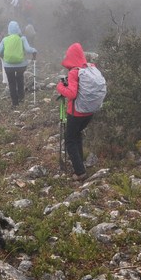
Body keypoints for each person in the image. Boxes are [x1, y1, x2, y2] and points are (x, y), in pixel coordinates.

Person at [56, 42, 95, 182]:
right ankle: (80, 165)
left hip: (76, 112)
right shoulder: (89, 68)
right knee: (77, 136)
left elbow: (72, 94)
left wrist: (60, 87)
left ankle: (80, 172)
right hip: (89, 112)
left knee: (70, 141)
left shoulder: (74, 72)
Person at [0, 21, 37, 106]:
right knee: (20, 79)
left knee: (11, 83)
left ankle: (15, 102)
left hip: (8, 65)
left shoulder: (5, 39)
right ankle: (21, 98)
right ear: (18, 28)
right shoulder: (22, 38)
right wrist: (34, 50)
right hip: (21, 65)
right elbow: (28, 49)